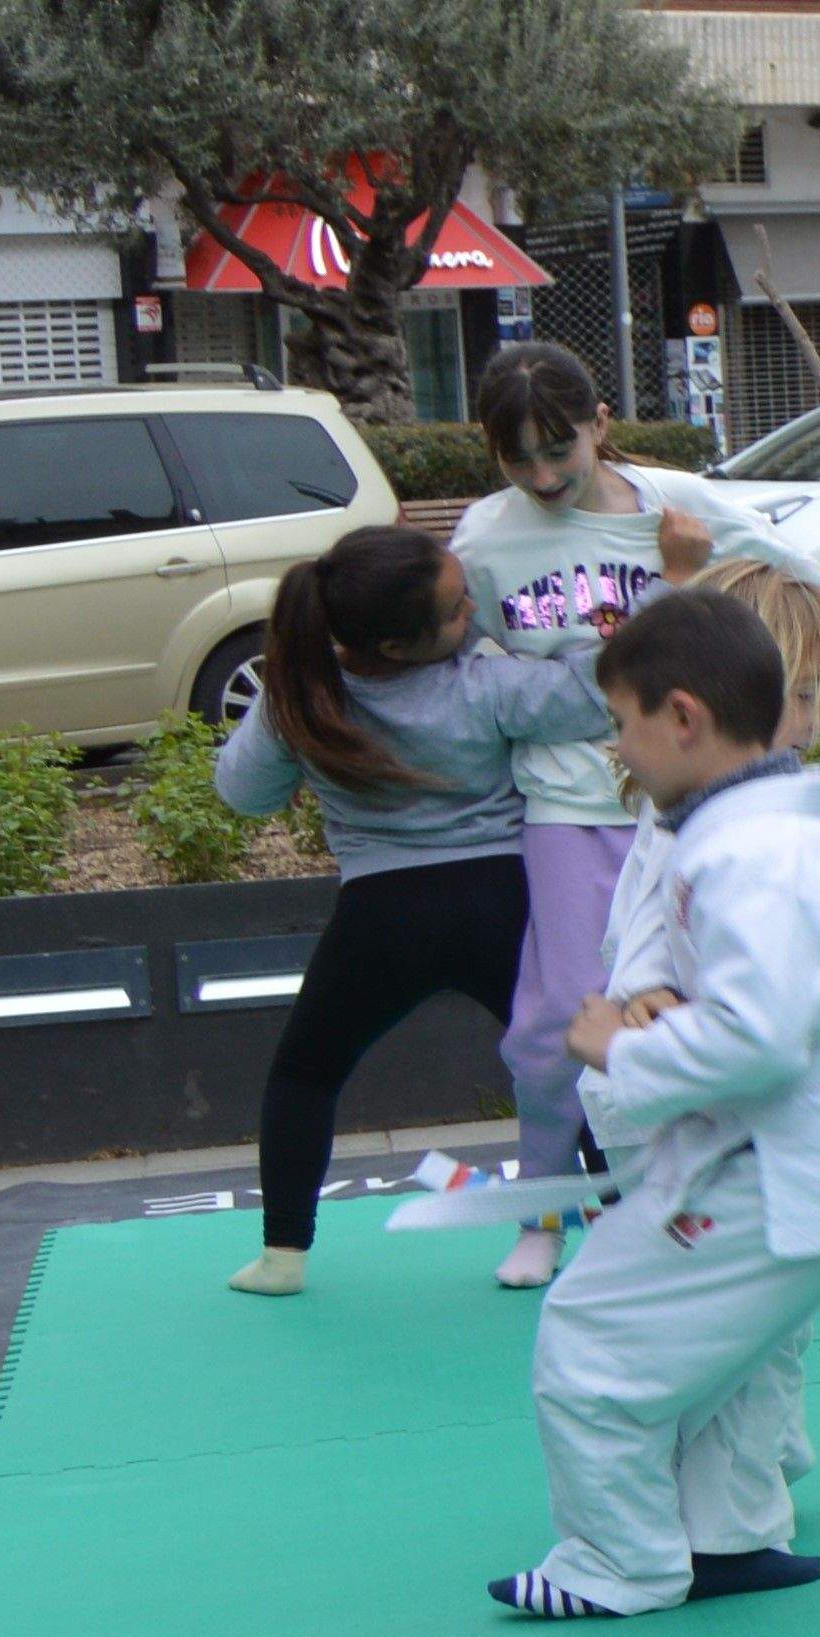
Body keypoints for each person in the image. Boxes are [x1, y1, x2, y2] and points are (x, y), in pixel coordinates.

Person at [493, 584, 820, 1618]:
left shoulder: (750, 850)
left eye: (620, 722)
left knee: (590, 1345)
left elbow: (761, 1034)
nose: (617, 749)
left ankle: (620, 1562)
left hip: (774, 1158)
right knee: (738, 1352)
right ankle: (729, 1534)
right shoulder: (782, 831)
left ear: (683, 716)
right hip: (803, 1155)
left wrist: (621, 1042)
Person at [450, 345, 820, 1286]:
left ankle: (683, 1212)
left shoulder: (681, 517)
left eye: (558, 450)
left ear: (601, 424)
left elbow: (797, 587)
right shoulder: (484, 543)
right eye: (516, 458)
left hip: (694, 799)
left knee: (686, 1007)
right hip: (572, 805)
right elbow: (470, 670)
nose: (541, 476)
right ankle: (548, 1210)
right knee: (559, 1026)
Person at [208, 526, 615, 1296]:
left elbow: (241, 793)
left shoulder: (306, 696)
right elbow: (597, 696)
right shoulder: (485, 684)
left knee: (304, 1073)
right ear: (398, 645)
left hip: (379, 917)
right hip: (502, 900)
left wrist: (283, 707)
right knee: (569, 1061)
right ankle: (626, 1217)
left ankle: (282, 1255)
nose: (476, 612)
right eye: (462, 609)